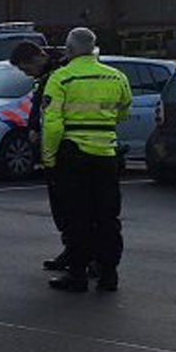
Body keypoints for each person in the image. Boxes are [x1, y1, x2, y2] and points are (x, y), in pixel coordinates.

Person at [40, 27, 131, 293]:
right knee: (107, 216)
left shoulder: (62, 78)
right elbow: (125, 109)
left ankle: (78, 275)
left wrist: (49, 158)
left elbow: (53, 124)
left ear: (69, 50)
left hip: (74, 153)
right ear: (93, 48)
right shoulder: (117, 77)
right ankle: (109, 274)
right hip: (107, 153)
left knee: (77, 216)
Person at [9, 40, 72, 271]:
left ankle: (79, 255)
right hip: (54, 146)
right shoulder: (49, 75)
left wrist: (41, 136)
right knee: (62, 206)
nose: (27, 74)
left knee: (70, 206)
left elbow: (53, 112)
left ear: (36, 58)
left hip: (62, 149)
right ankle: (73, 250)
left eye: (26, 69)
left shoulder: (58, 74)